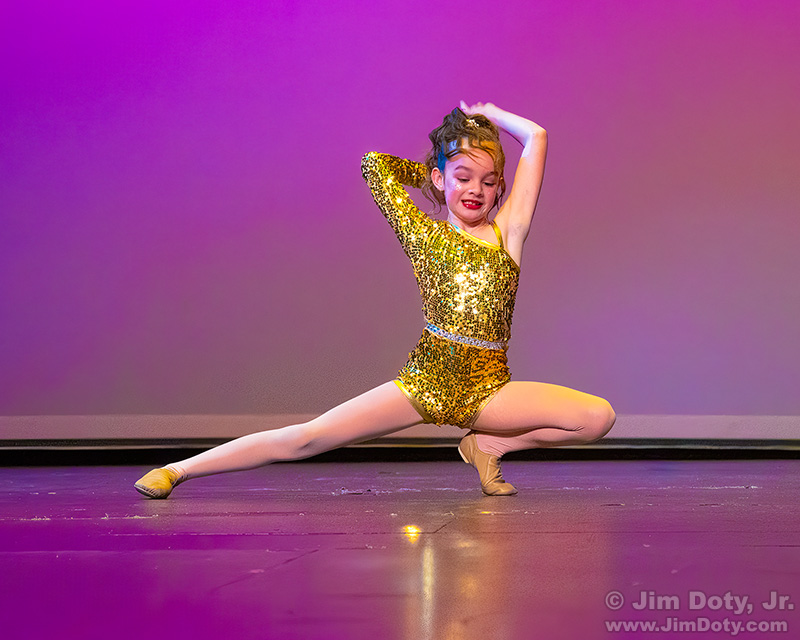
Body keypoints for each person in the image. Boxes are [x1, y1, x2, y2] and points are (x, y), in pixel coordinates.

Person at [134, 101, 615, 499]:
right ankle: (177, 470)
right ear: (441, 178)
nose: (476, 190)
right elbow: (374, 165)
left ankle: (488, 445)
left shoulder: (508, 232)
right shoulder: (422, 234)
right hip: (426, 380)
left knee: (597, 418)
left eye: (489, 182)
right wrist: (435, 170)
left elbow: (536, 137)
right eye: (463, 177)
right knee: (308, 438)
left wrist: (490, 113)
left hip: (488, 389)